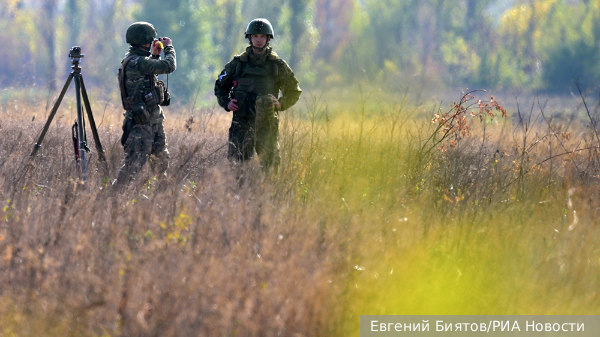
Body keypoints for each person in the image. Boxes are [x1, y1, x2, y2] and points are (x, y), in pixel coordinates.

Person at [214, 18, 301, 173]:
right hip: (241, 124)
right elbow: (220, 86)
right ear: (250, 38)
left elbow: (294, 89)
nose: (259, 40)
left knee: (270, 169)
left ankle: (266, 197)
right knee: (238, 169)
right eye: (255, 36)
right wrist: (226, 103)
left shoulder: (277, 65)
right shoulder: (237, 64)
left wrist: (281, 103)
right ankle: (240, 197)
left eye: (262, 36)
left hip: (267, 125)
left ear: (268, 39)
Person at [116, 22, 176, 185]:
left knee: (160, 164)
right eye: (150, 41)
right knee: (133, 166)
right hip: (141, 124)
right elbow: (169, 66)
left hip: (152, 121)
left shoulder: (135, 60)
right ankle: (112, 198)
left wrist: (155, 55)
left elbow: (147, 76)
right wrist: (169, 48)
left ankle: (161, 200)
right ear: (145, 41)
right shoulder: (138, 62)